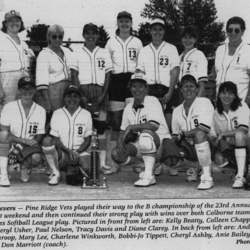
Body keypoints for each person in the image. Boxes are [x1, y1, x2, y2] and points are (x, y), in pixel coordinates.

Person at [111, 73, 171, 187]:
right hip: (143, 145)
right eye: (134, 86)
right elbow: (122, 130)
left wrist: (131, 127)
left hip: (161, 145)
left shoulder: (152, 100)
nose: (137, 89)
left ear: (146, 88)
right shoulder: (128, 107)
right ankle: (147, 165)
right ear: (130, 88)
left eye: (140, 86)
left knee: (146, 134)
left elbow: (153, 126)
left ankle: (149, 176)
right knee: (116, 154)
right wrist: (120, 140)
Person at [71, 23, 113, 174]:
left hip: (100, 90)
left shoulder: (104, 52)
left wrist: (102, 95)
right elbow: (74, 75)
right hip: (83, 89)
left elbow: (108, 75)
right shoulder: (76, 52)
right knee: (84, 128)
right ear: (83, 35)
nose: (90, 36)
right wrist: (80, 95)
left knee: (100, 129)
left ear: (97, 35)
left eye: (93, 33)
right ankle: (82, 159)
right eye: (87, 33)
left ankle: (102, 163)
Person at [161, 74, 214, 190]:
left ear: (197, 88)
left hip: (209, 145)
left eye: (192, 86)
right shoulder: (177, 110)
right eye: (185, 86)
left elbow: (204, 129)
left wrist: (185, 134)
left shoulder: (204, 102)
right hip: (189, 146)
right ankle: (193, 166)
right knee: (167, 145)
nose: (189, 89)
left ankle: (206, 177)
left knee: (199, 135)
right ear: (180, 90)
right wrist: (171, 149)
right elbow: (175, 136)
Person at [41, 85, 93, 186]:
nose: (72, 99)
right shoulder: (57, 113)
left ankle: (72, 170)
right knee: (47, 140)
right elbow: (55, 138)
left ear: (80, 98)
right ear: (64, 98)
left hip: (80, 152)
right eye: (69, 96)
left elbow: (88, 139)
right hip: (63, 152)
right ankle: (56, 172)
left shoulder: (86, 114)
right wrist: (68, 151)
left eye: (75, 96)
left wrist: (77, 152)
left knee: (88, 168)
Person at [0, 76, 46, 187]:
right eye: (24, 88)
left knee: (36, 158)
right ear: (19, 91)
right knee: (3, 135)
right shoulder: (9, 107)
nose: (27, 91)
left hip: (27, 146)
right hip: (10, 144)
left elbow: (38, 137)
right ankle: (3, 173)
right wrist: (21, 142)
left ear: (35, 90)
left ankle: (24, 166)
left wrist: (21, 147)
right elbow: (3, 132)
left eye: (30, 88)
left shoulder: (40, 110)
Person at [105, 11, 143, 142]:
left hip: (132, 80)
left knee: (132, 117)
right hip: (116, 81)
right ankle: (116, 154)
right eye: (121, 21)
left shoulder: (137, 42)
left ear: (131, 23)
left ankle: (133, 149)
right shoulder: (110, 42)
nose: (124, 24)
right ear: (117, 23)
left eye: (127, 21)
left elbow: (140, 63)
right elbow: (107, 66)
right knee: (116, 120)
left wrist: (135, 79)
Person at [136, 19, 180, 130]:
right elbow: (140, 72)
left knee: (169, 124)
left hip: (167, 89)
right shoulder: (144, 50)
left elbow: (174, 71)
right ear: (150, 31)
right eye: (154, 29)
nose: (157, 32)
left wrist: (170, 92)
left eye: (160, 29)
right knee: (152, 122)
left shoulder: (171, 48)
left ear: (164, 31)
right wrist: (143, 93)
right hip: (150, 90)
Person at [211, 81, 250, 189]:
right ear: (219, 95)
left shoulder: (242, 106)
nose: (226, 96)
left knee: (239, 136)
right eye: (223, 93)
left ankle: (240, 176)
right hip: (232, 149)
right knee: (218, 157)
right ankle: (239, 169)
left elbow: (243, 130)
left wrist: (224, 134)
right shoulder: (216, 112)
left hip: (247, 144)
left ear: (235, 96)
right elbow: (215, 135)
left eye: (230, 93)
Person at [36, 24, 77, 117]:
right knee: (52, 118)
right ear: (48, 37)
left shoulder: (68, 51)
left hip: (68, 90)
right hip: (52, 91)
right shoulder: (44, 54)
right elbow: (42, 81)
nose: (57, 39)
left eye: (60, 36)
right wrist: (47, 102)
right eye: (54, 36)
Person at [0, 10, 35, 113]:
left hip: (24, 78)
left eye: (17, 20)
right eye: (11, 21)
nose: (14, 23)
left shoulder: (24, 44)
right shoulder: (1, 39)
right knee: (6, 110)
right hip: (7, 79)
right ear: (5, 23)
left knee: (20, 111)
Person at [213, 17, 250, 106]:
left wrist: (248, 100)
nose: (233, 33)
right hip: (220, 102)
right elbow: (216, 73)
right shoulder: (220, 49)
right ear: (226, 31)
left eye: (236, 30)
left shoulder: (248, 50)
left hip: (241, 102)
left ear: (242, 31)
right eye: (230, 30)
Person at [179, 26, 208, 97]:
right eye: (185, 37)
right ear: (181, 39)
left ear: (195, 39)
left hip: (195, 93)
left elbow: (202, 82)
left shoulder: (199, 54)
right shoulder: (179, 57)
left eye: (191, 38)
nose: (187, 40)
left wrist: (198, 99)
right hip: (182, 93)